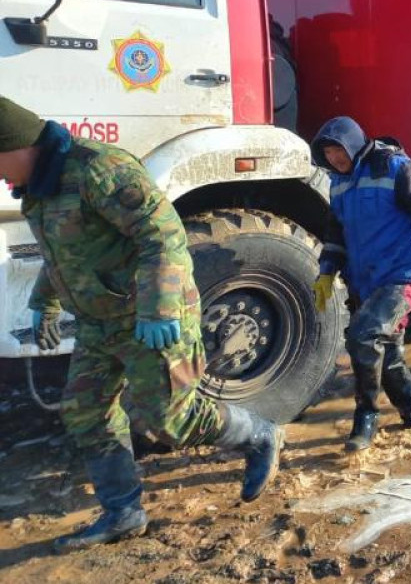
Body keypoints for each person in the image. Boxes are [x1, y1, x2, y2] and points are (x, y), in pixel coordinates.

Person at [0, 96, 284, 553]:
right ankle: (123, 512)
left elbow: (163, 234)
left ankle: (259, 434)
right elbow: (61, 253)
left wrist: (160, 310)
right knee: (86, 412)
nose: (0, 175)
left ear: (15, 145)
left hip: (149, 312)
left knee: (165, 421)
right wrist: (45, 303)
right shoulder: (39, 186)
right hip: (99, 320)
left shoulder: (98, 169)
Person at [310, 117, 411, 452]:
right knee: (387, 349)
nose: (335, 157)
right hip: (366, 281)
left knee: (362, 336)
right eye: (328, 152)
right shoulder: (337, 182)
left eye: (338, 149)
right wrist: (326, 272)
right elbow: (337, 234)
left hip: (404, 273)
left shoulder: (394, 167)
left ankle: (366, 415)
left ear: (353, 144)